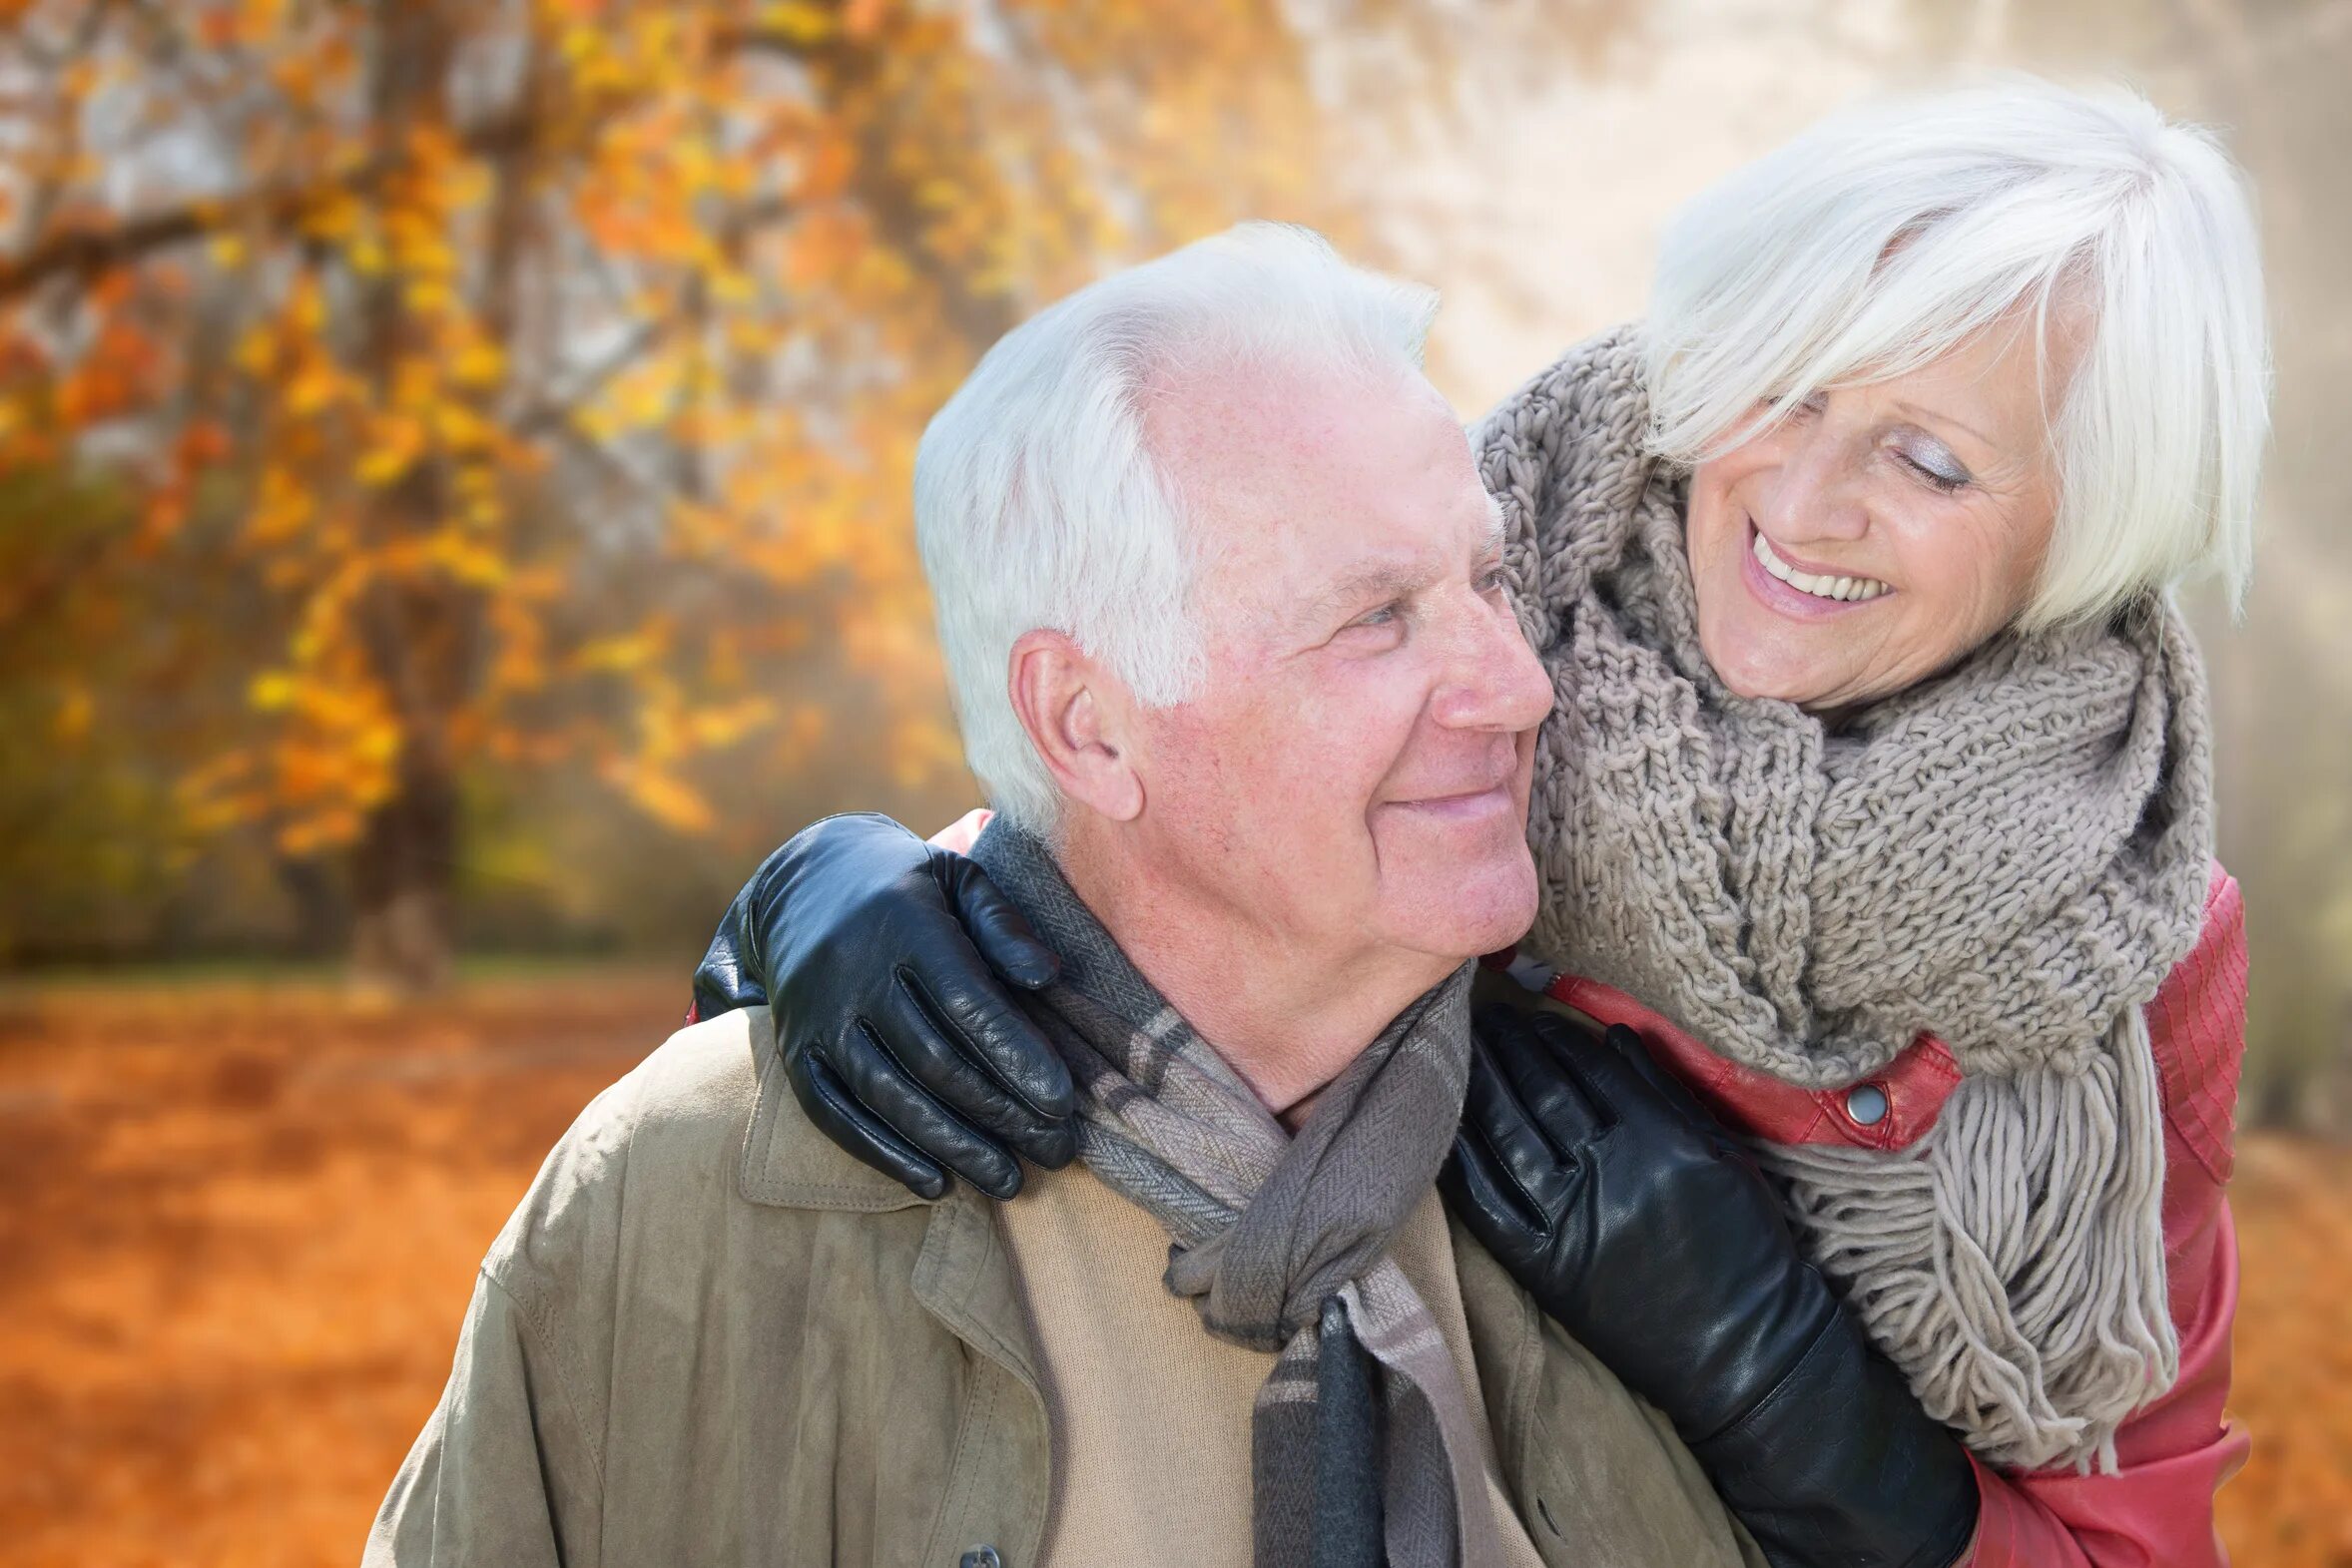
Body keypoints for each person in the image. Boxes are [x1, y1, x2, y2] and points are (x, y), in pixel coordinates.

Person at [693, 79, 2267, 1567]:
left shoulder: (2129, 925)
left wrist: (1793, 1396)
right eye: (1780, 385)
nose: (1805, 497)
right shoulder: (1496, 623)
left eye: (1929, 460)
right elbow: (1158, 805)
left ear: (2090, 523)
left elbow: (2119, 1543)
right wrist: (835, 888)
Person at [371, 225, 1972, 1568]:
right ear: (1088, 722)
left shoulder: (1644, 1165)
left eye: (1488, 579)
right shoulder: (683, 1201)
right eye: (1373, 620)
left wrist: (1798, 1411)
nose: (1514, 684)